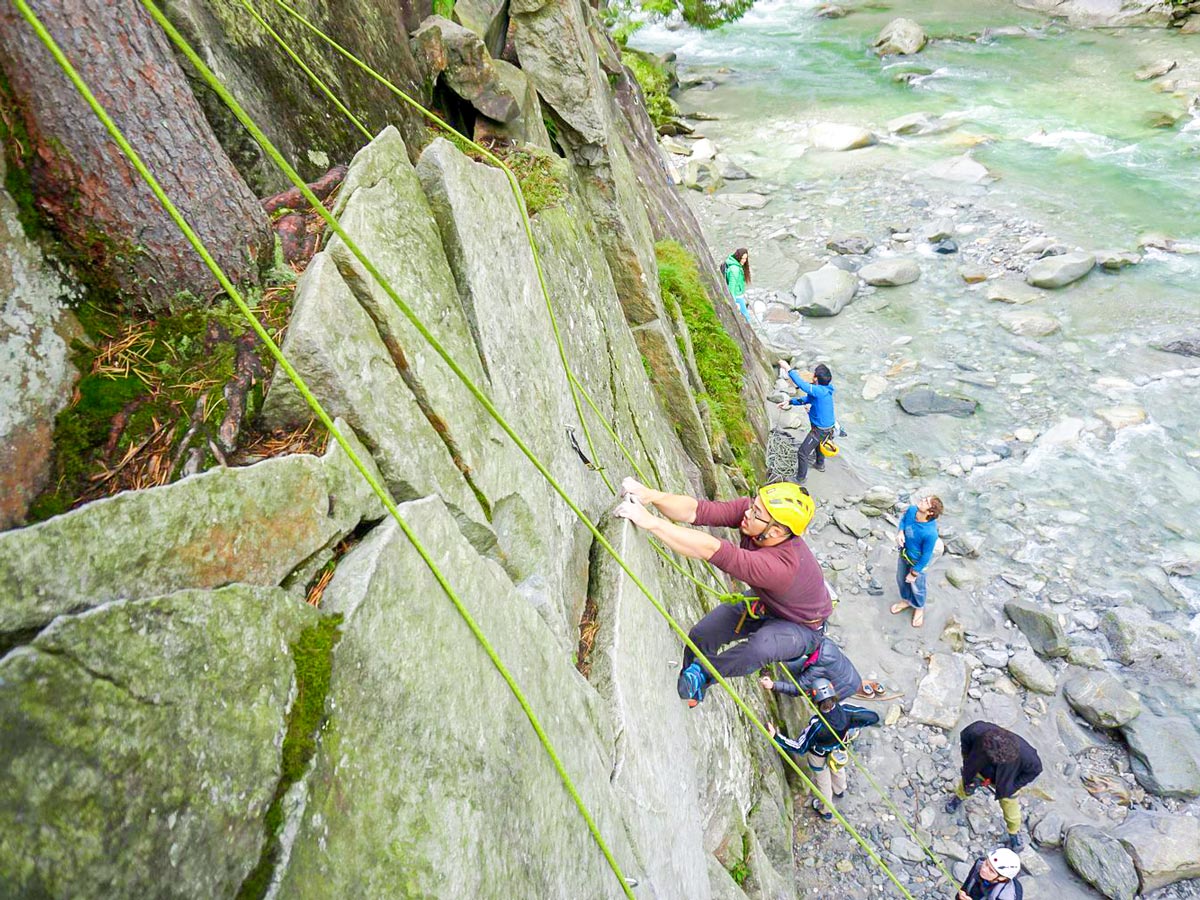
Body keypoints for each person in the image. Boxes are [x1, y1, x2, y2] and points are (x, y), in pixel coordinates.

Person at [615, 477, 832, 707]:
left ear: (775, 531)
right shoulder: (755, 519)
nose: (747, 512)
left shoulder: (781, 567)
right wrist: (651, 495)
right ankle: (693, 686)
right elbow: (697, 511)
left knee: (760, 647)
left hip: (803, 627)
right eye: (753, 505)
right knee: (702, 634)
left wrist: (651, 522)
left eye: (756, 512)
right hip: (770, 603)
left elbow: (711, 549)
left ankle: (702, 676)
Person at [764, 678, 880, 820]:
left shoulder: (817, 725)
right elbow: (872, 717)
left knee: (823, 781)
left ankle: (827, 810)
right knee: (837, 769)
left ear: (816, 702)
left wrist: (776, 737)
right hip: (838, 749)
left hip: (819, 755)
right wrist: (853, 725)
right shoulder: (846, 710)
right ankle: (840, 789)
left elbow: (800, 747)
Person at [946, 722, 1043, 851]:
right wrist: (968, 765)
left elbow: (1034, 771)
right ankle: (959, 796)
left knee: (1010, 808)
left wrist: (1014, 786)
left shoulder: (1028, 756)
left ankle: (1013, 831)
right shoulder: (975, 731)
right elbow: (965, 744)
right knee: (965, 785)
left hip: (1006, 780)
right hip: (979, 768)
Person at [758, 632, 862, 704]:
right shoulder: (824, 642)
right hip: (849, 674)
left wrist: (773, 685)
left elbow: (797, 689)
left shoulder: (817, 669)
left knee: (823, 705)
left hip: (844, 687)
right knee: (793, 666)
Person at [776, 361, 836, 484]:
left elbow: (801, 385)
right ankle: (820, 464)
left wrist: (788, 368)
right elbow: (806, 399)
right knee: (820, 443)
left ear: (816, 378)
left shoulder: (818, 391)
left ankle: (800, 479)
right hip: (827, 428)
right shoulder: (825, 390)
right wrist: (790, 402)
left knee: (802, 453)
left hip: (819, 429)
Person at [889, 495, 944, 629]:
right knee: (901, 579)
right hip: (905, 553)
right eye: (924, 498)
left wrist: (914, 573)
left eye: (926, 502)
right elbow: (903, 521)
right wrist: (900, 532)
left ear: (930, 512)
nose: (922, 500)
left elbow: (926, 556)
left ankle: (919, 606)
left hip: (919, 560)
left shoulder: (930, 533)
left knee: (917, 586)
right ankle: (907, 600)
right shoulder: (912, 510)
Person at [957, 848, 1023, 899]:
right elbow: (967, 883)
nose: (984, 869)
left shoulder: (1006, 896)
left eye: (991, 871)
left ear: (1002, 878)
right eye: (986, 863)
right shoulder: (980, 863)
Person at [724, 248, 752, 323]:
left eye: (745, 259)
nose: (744, 261)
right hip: (737, 296)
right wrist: (733, 302)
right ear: (738, 257)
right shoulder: (735, 269)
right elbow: (731, 287)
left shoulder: (735, 265)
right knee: (747, 317)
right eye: (742, 258)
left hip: (739, 294)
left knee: (745, 315)